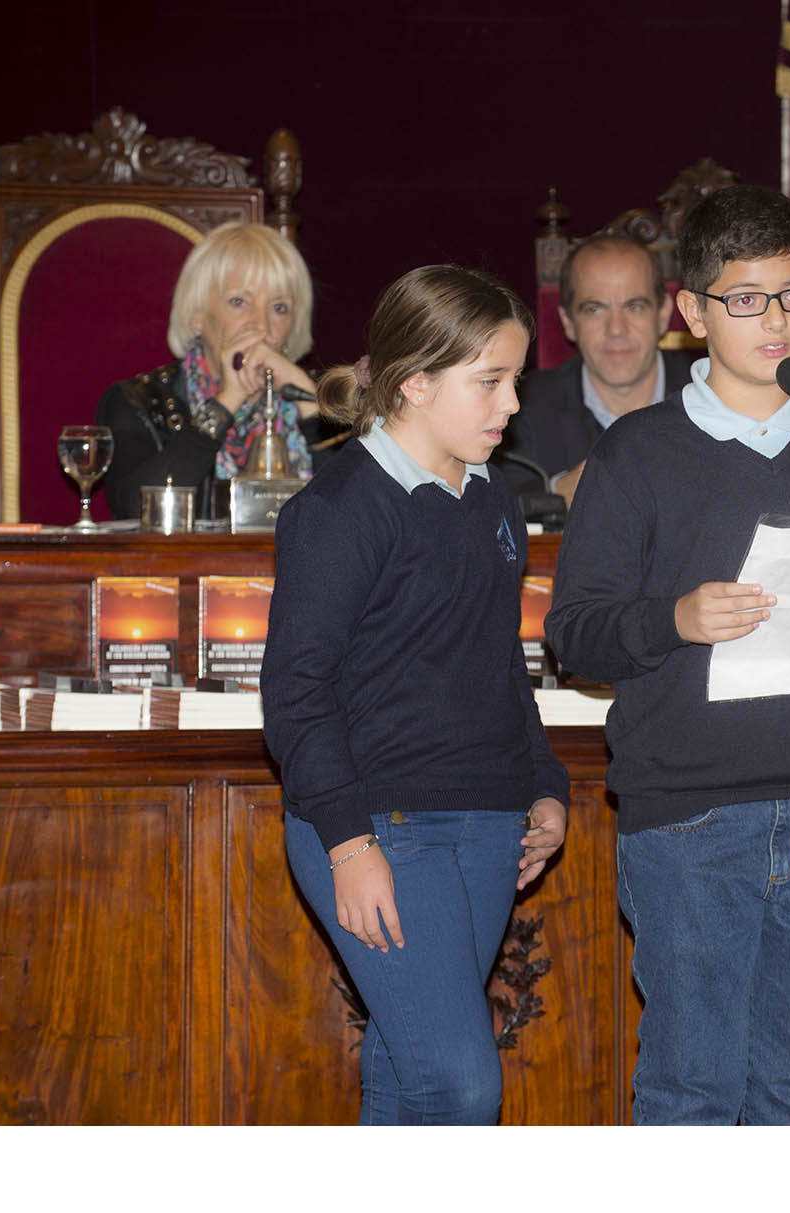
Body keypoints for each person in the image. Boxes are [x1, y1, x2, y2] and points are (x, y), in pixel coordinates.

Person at [544, 186, 790, 1124]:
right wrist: (673, 618)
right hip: (693, 814)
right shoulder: (638, 455)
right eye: (748, 299)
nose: (778, 321)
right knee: (694, 1084)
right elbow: (575, 633)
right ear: (692, 312)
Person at [261, 264, 569, 1125]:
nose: (511, 405)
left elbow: (499, 660)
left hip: (486, 822)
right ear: (414, 383)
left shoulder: (492, 495)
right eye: (490, 382)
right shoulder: (342, 507)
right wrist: (348, 843)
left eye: (514, 380)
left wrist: (543, 784)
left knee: (408, 1079)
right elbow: (296, 691)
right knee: (461, 1087)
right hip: (377, 826)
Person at [98, 221, 341, 519]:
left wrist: (312, 406)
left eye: (279, 308)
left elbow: (369, 515)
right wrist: (227, 401)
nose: (261, 327)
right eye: (239, 302)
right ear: (197, 315)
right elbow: (136, 511)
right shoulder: (140, 401)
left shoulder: (331, 399)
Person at [495, 234, 694, 506]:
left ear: (663, 315)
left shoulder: (713, 394)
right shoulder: (519, 406)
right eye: (594, 309)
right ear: (568, 322)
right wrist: (556, 494)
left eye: (634, 307)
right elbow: (488, 508)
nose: (616, 329)